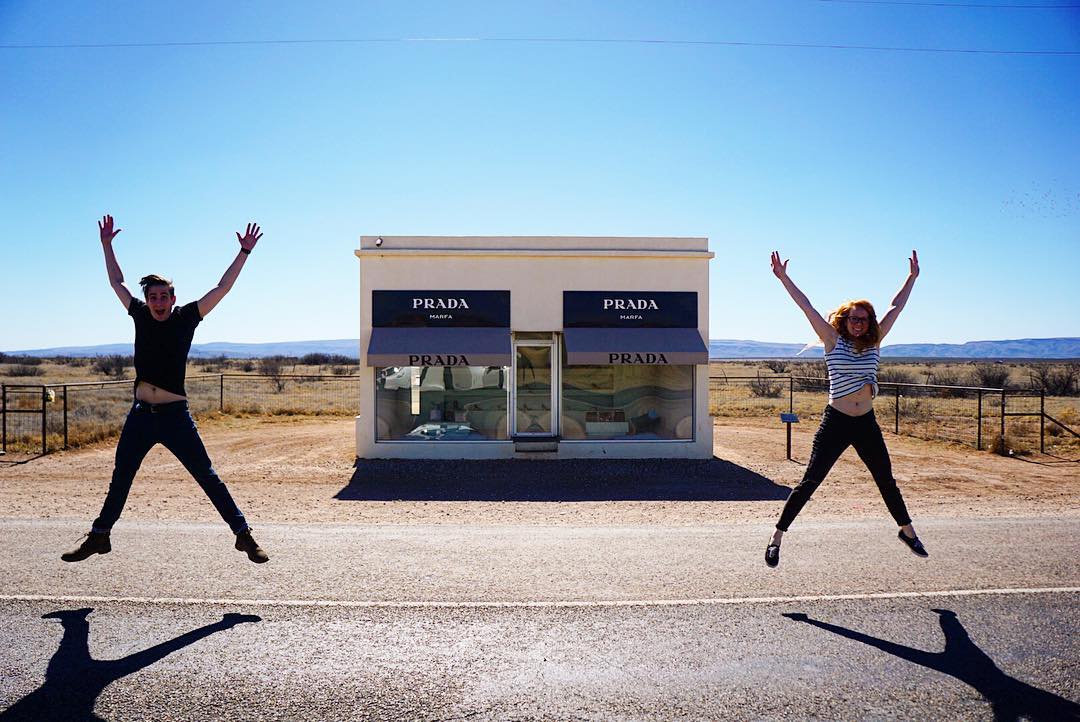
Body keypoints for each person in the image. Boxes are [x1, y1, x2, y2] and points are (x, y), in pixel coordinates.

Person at [62, 215, 268, 564]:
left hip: (175, 417)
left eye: (163, 296)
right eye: (152, 297)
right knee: (121, 478)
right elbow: (117, 281)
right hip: (141, 416)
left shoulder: (186, 318)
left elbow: (222, 288)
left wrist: (244, 253)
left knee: (208, 477)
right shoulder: (139, 315)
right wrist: (107, 245)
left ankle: (243, 535)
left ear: (173, 298)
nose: (157, 302)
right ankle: (99, 536)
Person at [765, 249, 927, 568]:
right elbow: (806, 306)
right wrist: (784, 278)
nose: (857, 324)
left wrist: (911, 278)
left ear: (869, 323)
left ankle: (907, 531)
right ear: (844, 319)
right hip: (836, 422)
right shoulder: (830, 339)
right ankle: (776, 537)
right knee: (810, 481)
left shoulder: (875, 341)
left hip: (865, 422)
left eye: (863, 319)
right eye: (853, 318)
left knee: (885, 479)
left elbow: (896, 307)